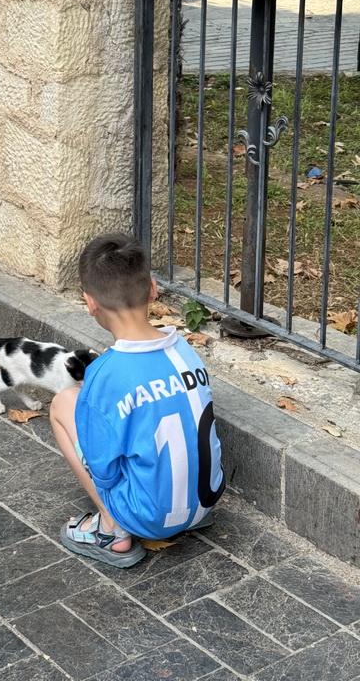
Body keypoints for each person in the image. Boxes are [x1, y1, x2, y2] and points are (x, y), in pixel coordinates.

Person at [50, 233, 225, 569]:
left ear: (90, 303)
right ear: (153, 289)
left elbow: (104, 470)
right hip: (206, 501)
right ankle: (189, 511)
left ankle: (111, 529)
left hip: (150, 519)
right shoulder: (185, 350)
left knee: (62, 404)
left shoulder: (104, 374)